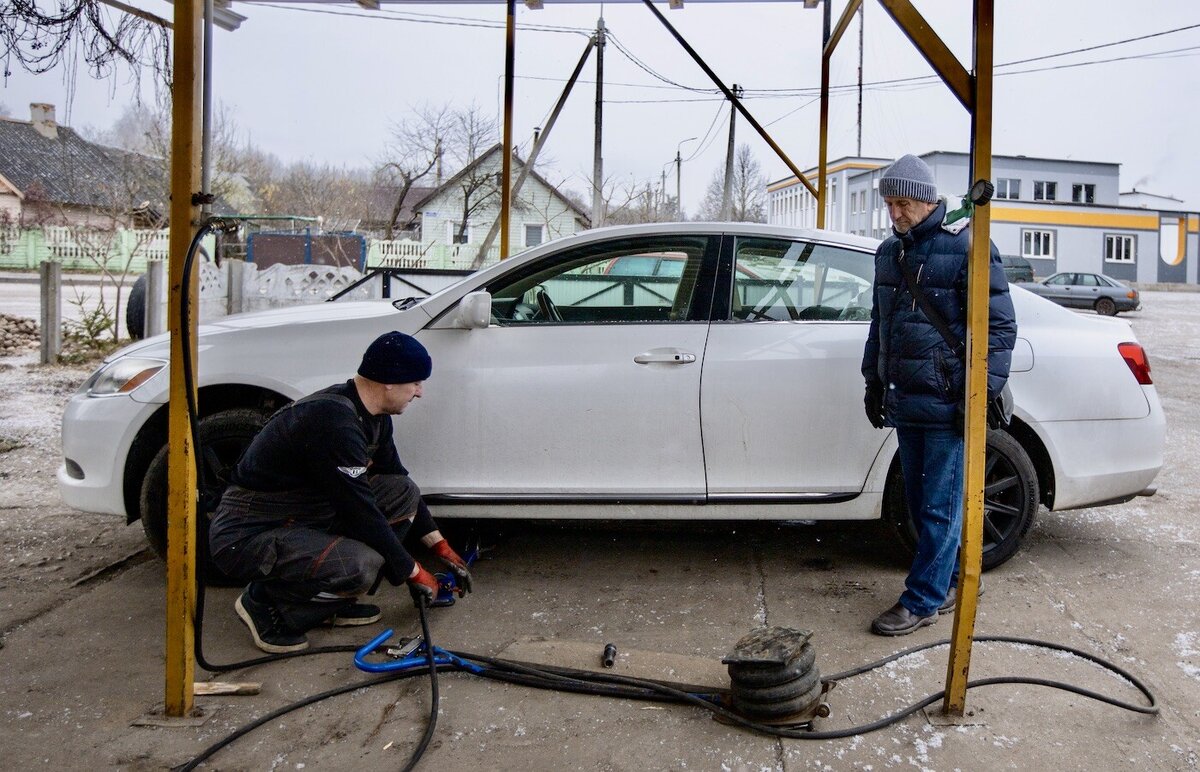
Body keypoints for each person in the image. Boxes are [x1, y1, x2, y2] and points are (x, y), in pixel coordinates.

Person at [209, 331, 473, 653]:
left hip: (303, 512)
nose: (420, 392)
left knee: (400, 491)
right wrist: (414, 572)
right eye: (416, 382)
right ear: (389, 381)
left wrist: (440, 546)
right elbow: (359, 511)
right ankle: (266, 604)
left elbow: (400, 485)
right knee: (360, 565)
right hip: (248, 530)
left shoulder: (374, 417)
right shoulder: (332, 421)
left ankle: (329, 599)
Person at [861, 154, 1017, 636]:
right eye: (889, 204)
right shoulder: (890, 253)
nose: (895, 214)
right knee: (920, 499)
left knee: (939, 505)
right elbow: (880, 324)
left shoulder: (969, 245)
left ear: (928, 200)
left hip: (950, 402)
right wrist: (873, 379)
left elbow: (999, 326)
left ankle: (923, 600)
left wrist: (978, 395)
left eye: (903, 203)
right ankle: (948, 582)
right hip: (907, 399)